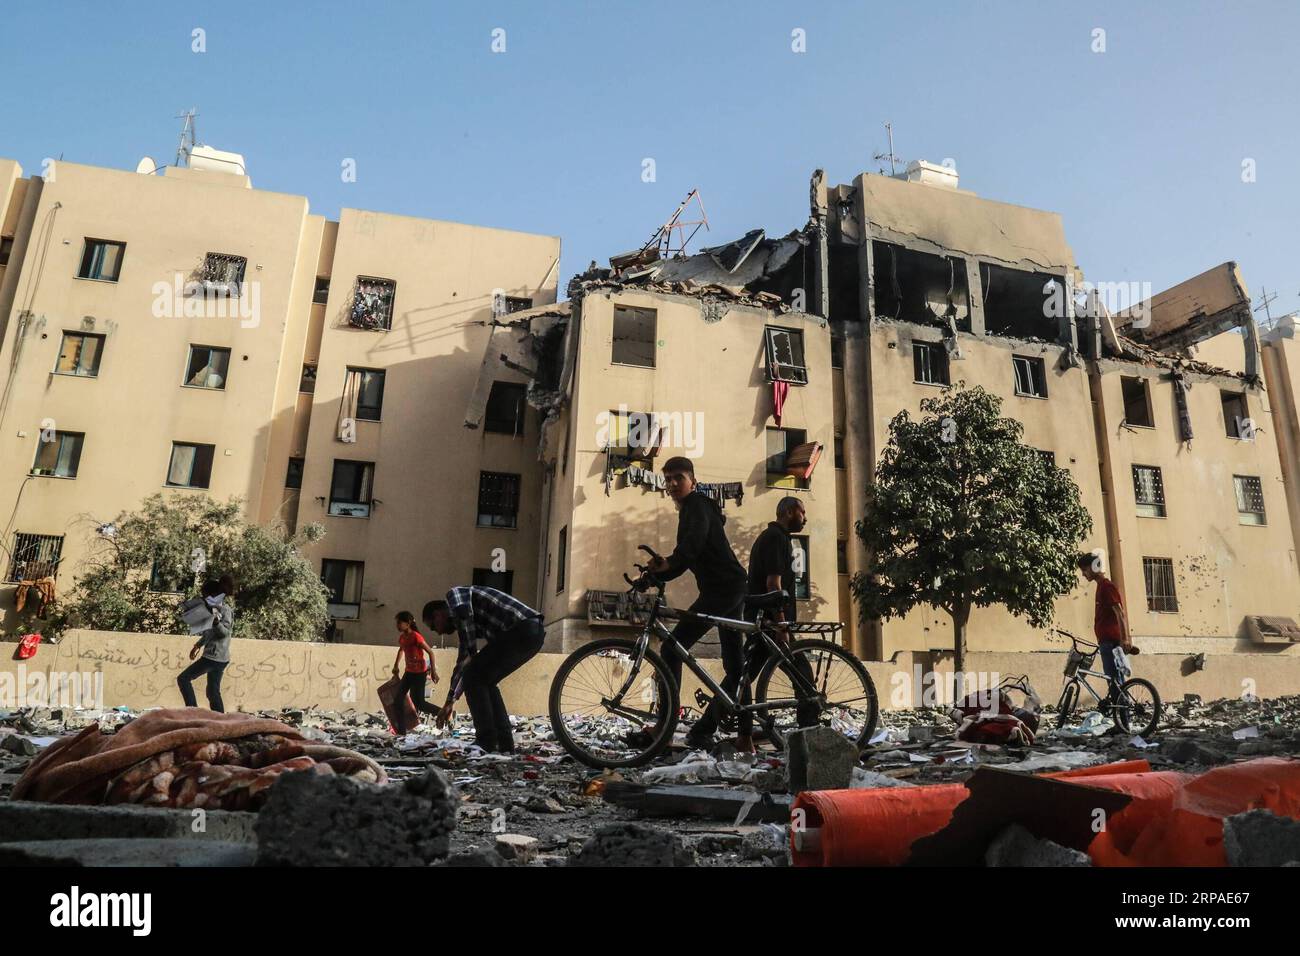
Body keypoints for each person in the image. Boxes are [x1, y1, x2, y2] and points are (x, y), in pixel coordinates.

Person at [644, 455, 749, 752]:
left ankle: (666, 726)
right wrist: (656, 573)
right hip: (726, 588)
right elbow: (684, 558)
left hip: (724, 590)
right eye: (668, 479)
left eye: (679, 477)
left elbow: (692, 545)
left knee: (671, 647)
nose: (673, 483)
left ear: (693, 481)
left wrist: (670, 563)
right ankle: (733, 733)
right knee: (736, 668)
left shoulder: (698, 506)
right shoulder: (691, 510)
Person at [739, 495, 819, 751]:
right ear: (789, 512)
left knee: (742, 676)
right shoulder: (776, 538)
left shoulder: (772, 537)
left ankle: (706, 726)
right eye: (802, 512)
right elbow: (773, 585)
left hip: (763, 620)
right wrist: (782, 625)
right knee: (804, 676)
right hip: (771, 623)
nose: (805, 518)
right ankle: (810, 736)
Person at [423, 587, 544, 754]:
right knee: (485, 680)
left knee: (474, 675)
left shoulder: (455, 597)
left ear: (438, 614)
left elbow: (467, 654)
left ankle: (486, 741)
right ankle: (504, 744)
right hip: (531, 634)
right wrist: (450, 701)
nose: (437, 631)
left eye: (433, 626)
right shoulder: (463, 617)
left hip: (522, 629)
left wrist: (451, 700)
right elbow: (465, 659)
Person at [1077, 554, 1133, 702]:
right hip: (1105, 642)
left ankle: (1123, 722)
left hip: (1111, 642)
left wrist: (1125, 639)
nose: (1083, 574)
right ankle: (1121, 723)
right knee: (1114, 682)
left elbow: (1120, 613)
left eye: (1084, 569)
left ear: (1094, 567)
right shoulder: (1101, 587)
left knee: (1116, 683)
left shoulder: (1107, 587)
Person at [177, 575, 236, 713]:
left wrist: (216, 623)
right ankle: (220, 720)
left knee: (183, 679)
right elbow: (209, 633)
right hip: (218, 657)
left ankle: (193, 712)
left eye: (206, 597)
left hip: (214, 657)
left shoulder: (225, 610)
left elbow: (224, 633)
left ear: (215, 596)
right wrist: (198, 645)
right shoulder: (212, 609)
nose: (204, 599)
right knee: (212, 692)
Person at [390, 610, 440, 734]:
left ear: (408, 623)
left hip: (419, 673)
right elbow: (401, 650)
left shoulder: (416, 636)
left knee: (420, 703)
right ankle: (401, 732)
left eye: (399, 623)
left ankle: (443, 712)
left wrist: (433, 671)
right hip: (409, 672)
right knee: (398, 700)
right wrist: (396, 666)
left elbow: (431, 652)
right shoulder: (402, 637)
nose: (397, 625)